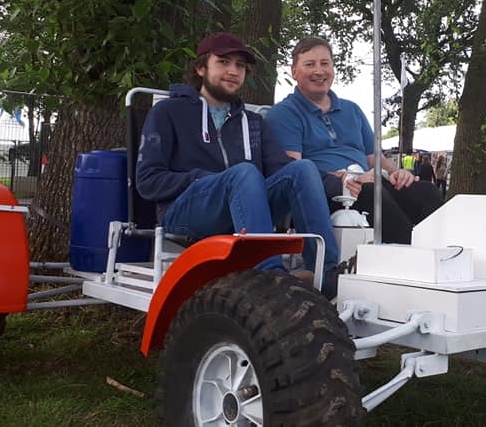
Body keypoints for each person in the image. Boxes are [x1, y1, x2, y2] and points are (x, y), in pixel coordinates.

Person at [135, 32, 341, 298]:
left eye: (240, 66)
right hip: (184, 212)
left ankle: (328, 272)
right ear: (200, 67)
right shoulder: (168, 112)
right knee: (244, 173)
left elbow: (283, 170)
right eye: (223, 62)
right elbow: (148, 181)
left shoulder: (253, 122)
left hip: (243, 211)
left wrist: (341, 182)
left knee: (301, 168)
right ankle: (270, 278)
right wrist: (205, 179)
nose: (233, 71)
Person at [266, 36, 443, 244]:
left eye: (325, 63)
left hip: (369, 182)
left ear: (333, 68)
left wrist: (397, 173)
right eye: (309, 64)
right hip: (326, 193)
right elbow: (294, 171)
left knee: (426, 191)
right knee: (371, 193)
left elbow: (373, 158)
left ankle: (445, 254)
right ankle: (409, 256)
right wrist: (349, 177)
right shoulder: (284, 114)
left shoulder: (352, 110)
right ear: (294, 71)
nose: (319, 71)